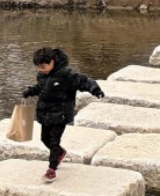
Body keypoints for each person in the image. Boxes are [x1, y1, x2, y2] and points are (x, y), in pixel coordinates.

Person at [22, 47, 104, 181]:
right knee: (44, 139)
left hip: (61, 114)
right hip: (45, 112)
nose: (41, 69)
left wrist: (95, 90)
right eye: (39, 67)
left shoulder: (66, 75)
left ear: (52, 61)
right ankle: (60, 153)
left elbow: (84, 81)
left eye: (43, 66)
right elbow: (40, 87)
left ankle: (51, 170)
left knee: (54, 141)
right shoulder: (42, 75)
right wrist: (30, 91)